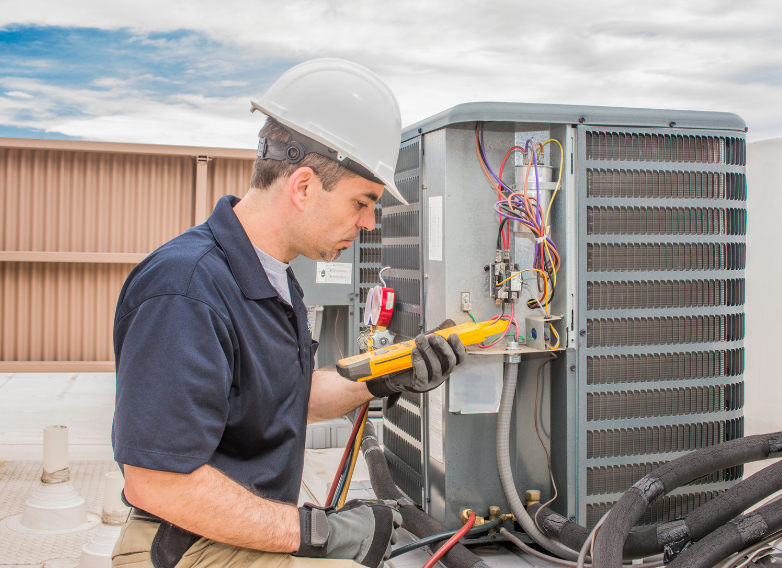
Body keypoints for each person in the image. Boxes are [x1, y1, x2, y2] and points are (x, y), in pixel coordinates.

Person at [111, 59, 467, 568]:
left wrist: (392, 372)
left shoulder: (272, 278)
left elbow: (287, 401)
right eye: (362, 202)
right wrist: (318, 531)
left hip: (236, 531)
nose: (369, 222)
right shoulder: (185, 290)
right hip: (186, 544)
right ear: (302, 187)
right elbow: (156, 481)